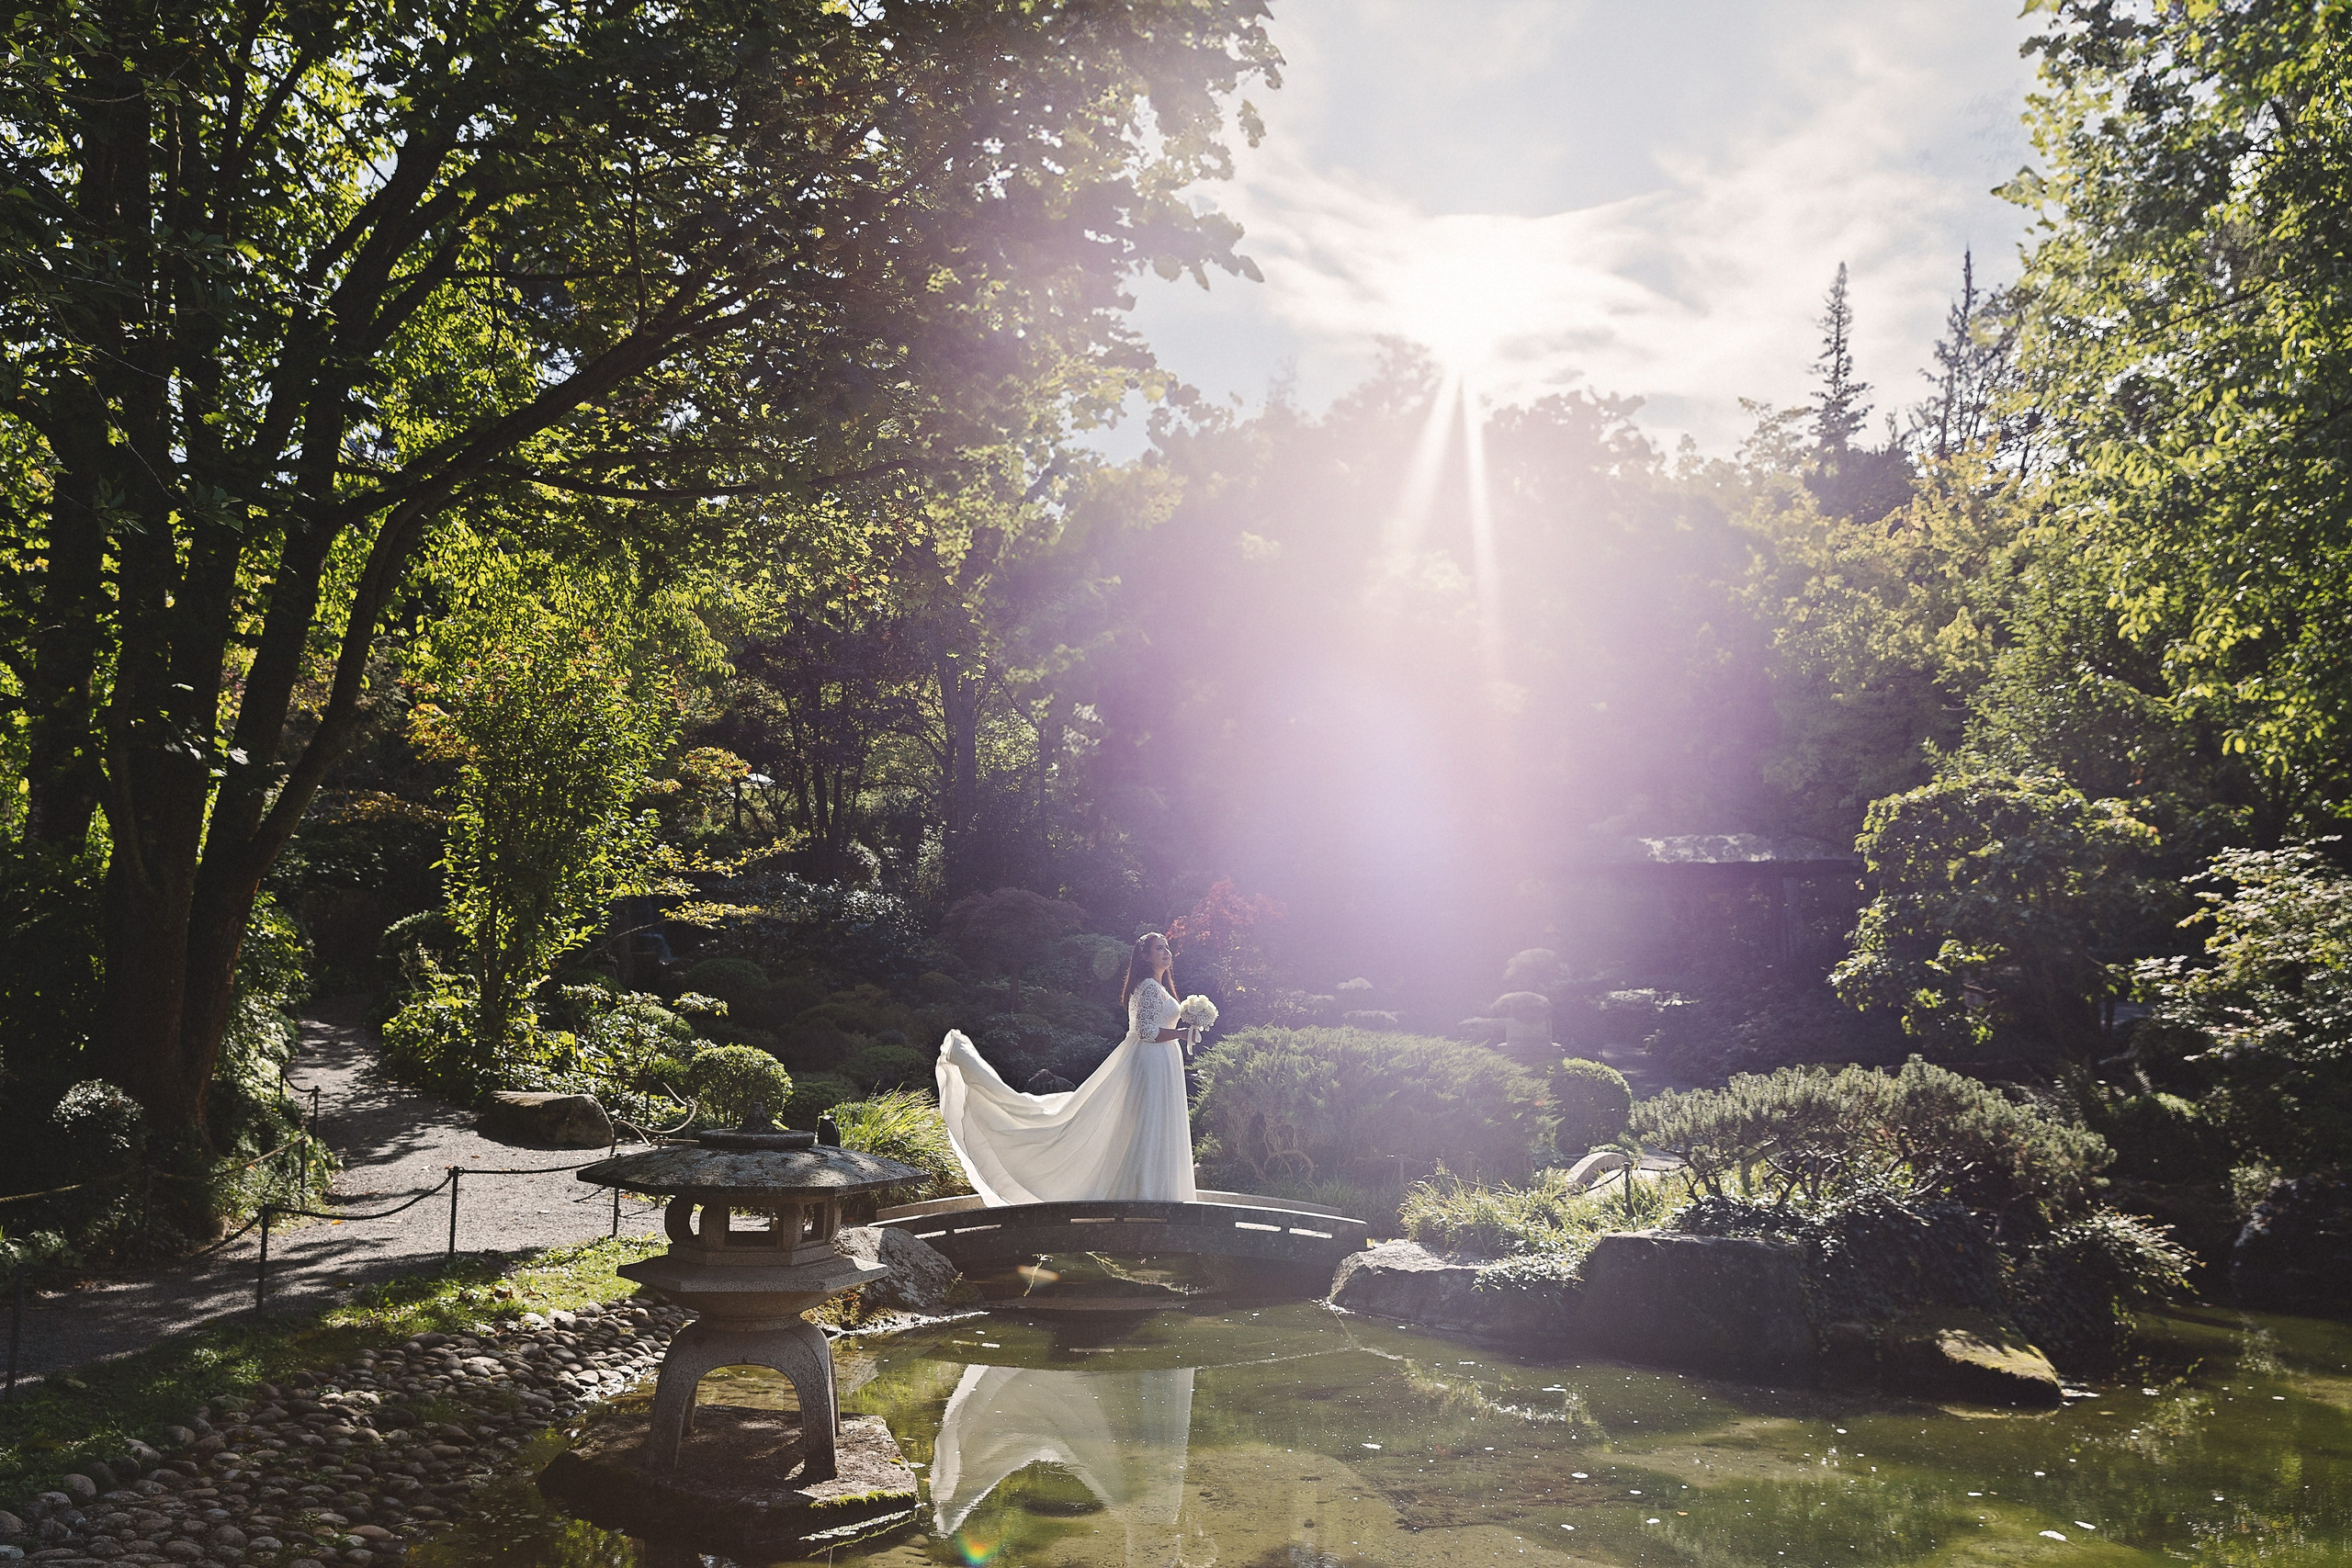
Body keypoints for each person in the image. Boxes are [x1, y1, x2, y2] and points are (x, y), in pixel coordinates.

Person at [934, 932, 1198, 1205]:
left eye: (1167, 947)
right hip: (1151, 1064)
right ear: (1145, 956)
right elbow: (1145, 1031)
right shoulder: (1148, 987)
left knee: (1151, 1123)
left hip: (1160, 1061)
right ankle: (1145, 1196)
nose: (1167, 952)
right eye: (1159, 948)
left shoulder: (1157, 987)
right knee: (1149, 1123)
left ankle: (1155, 1194)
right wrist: (1179, 1034)